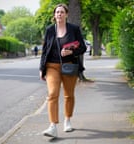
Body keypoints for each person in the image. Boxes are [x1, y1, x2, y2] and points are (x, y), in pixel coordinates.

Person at [39, 3, 86, 138]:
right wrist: (41, 68)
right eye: (57, 12)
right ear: (54, 15)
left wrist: (71, 51)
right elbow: (44, 51)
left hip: (69, 65)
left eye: (61, 12)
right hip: (52, 66)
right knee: (53, 94)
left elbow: (82, 47)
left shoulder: (74, 29)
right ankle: (52, 126)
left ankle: (67, 120)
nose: (59, 14)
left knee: (68, 95)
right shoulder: (49, 30)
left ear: (66, 14)